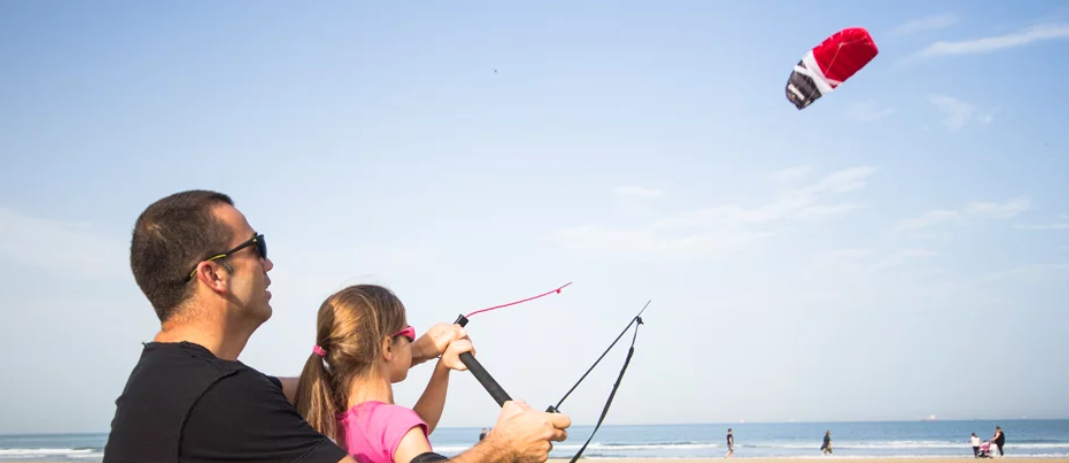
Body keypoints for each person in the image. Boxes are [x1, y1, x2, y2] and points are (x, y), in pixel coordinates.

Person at [102, 190, 571, 463]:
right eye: (255, 246)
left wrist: (416, 351)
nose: (268, 262)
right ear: (213, 274)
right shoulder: (221, 399)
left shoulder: (173, 380)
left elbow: (329, 379)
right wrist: (503, 449)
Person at [294, 284, 476, 463]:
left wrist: (442, 368)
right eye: (409, 334)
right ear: (388, 346)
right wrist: (501, 441)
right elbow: (404, 430)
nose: (412, 341)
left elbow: (417, 425)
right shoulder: (395, 423)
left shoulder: (338, 418)